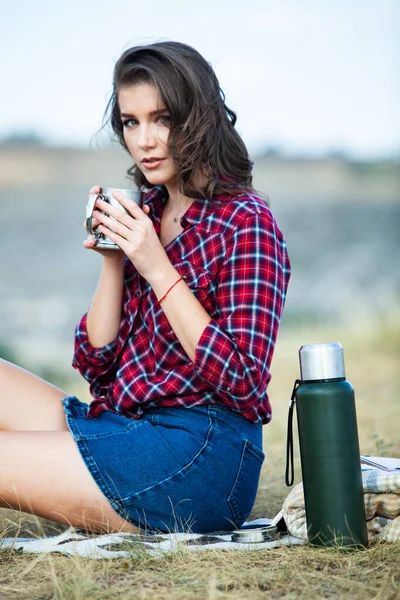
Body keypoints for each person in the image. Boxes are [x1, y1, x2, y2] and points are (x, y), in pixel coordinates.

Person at [0, 41, 290, 535]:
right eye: (131, 122)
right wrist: (114, 260)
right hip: (126, 427)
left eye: (163, 118)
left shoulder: (247, 223)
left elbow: (243, 379)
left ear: (199, 117)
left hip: (201, 457)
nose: (146, 140)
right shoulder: (148, 213)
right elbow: (96, 366)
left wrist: (156, 266)